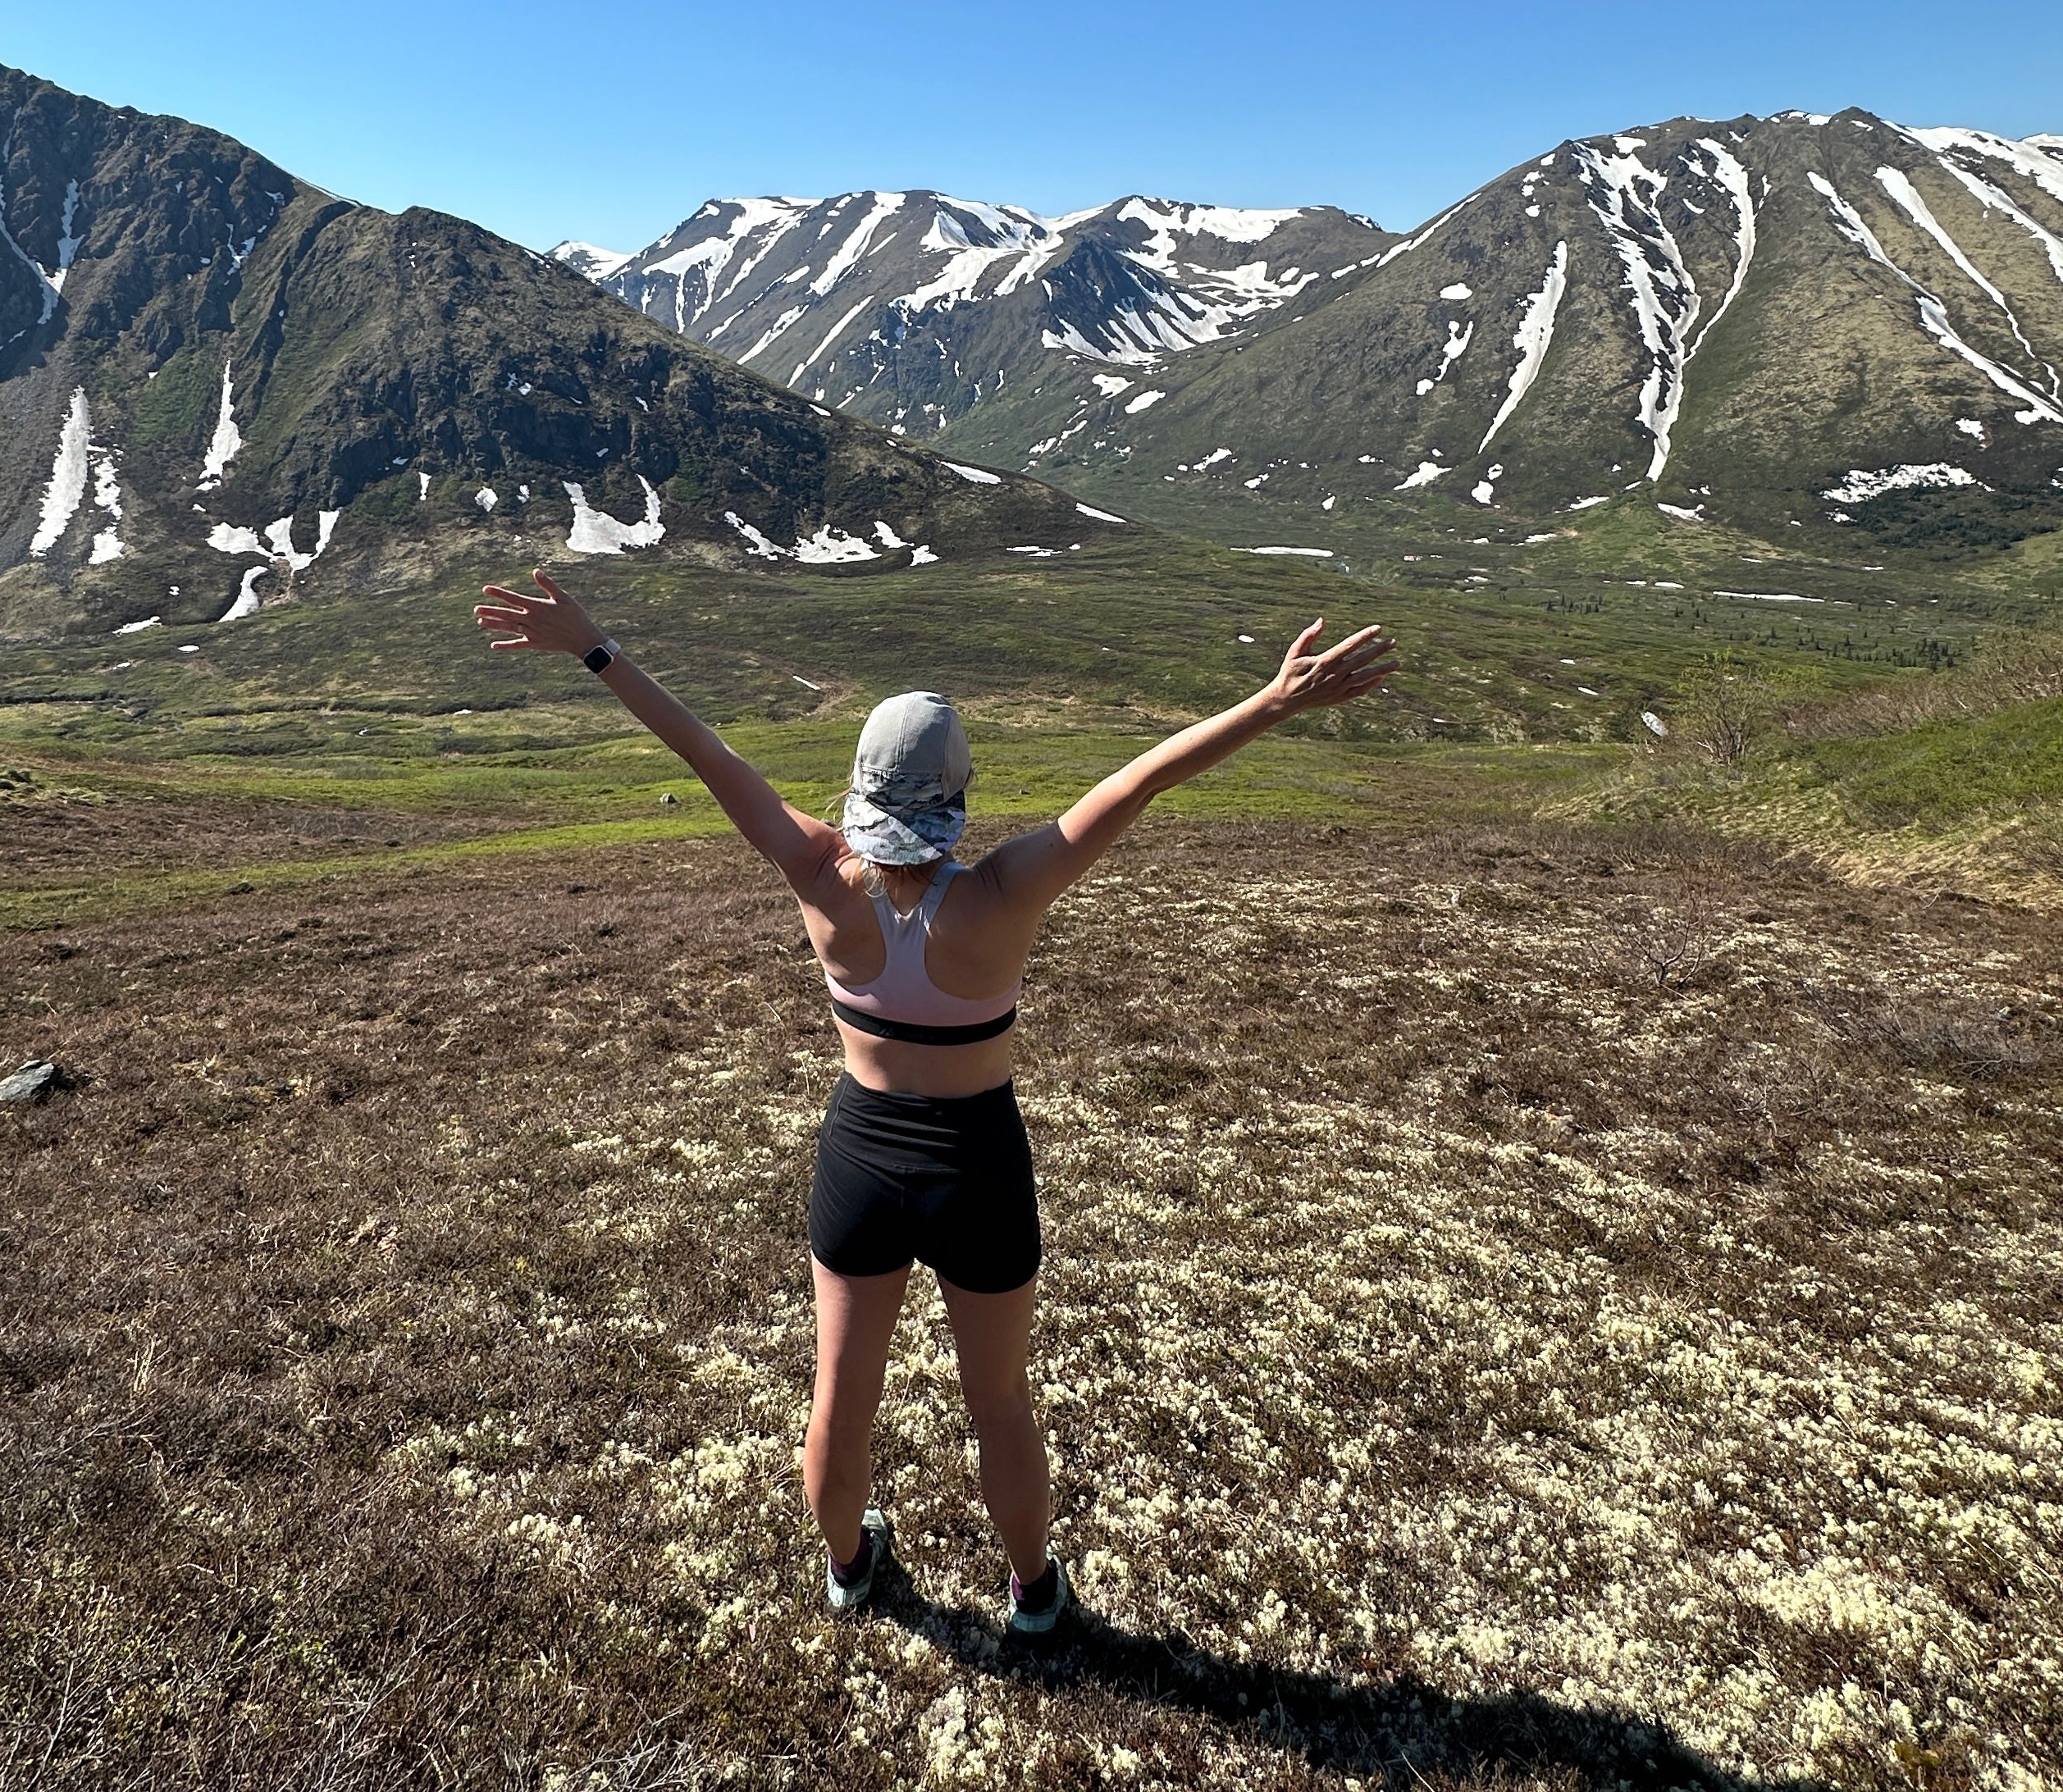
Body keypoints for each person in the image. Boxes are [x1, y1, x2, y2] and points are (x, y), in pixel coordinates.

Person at [472, 567, 1395, 1638]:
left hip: (860, 1158)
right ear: (958, 794)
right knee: (999, 1404)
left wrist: (595, 648)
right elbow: (1139, 782)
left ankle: (850, 1569)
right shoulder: (1006, 891)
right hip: (977, 1162)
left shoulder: (818, 869)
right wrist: (1275, 702)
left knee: (840, 1397)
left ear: (862, 789)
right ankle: (1037, 1594)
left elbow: (707, 754)